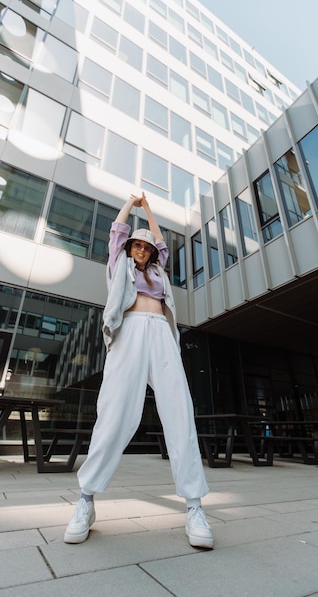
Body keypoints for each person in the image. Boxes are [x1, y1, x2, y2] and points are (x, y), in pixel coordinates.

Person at [64, 192, 213, 549]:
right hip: (128, 332)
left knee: (180, 413)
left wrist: (149, 209)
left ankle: (194, 506)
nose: (143, 249)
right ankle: (86, 500)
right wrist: (131, 205)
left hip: (161, 333)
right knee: (114, 414)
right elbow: (116, 231)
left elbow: (162, 242)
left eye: (147, 247)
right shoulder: (120, 266)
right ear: (130, 248)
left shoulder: (159, 270)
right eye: (137, 245)